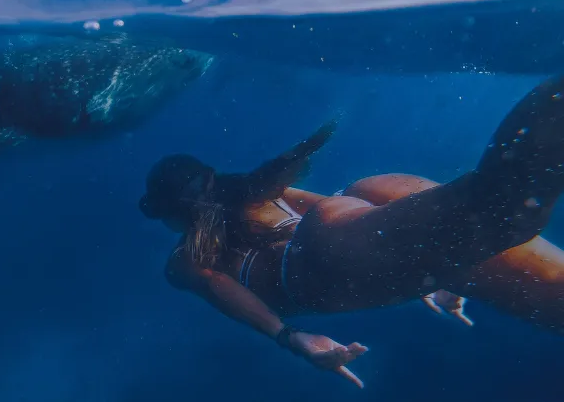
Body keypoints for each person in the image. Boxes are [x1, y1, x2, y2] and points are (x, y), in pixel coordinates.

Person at [139, 73, 564, 389]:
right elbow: (336, 211)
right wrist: (432, 271)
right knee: (510, 225)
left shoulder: (184, 258)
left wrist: (289, 336)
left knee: (500, 209)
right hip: (358, 205)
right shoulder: (254, 202)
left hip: (319, 263)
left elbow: (216, 285)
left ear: (167, 211)